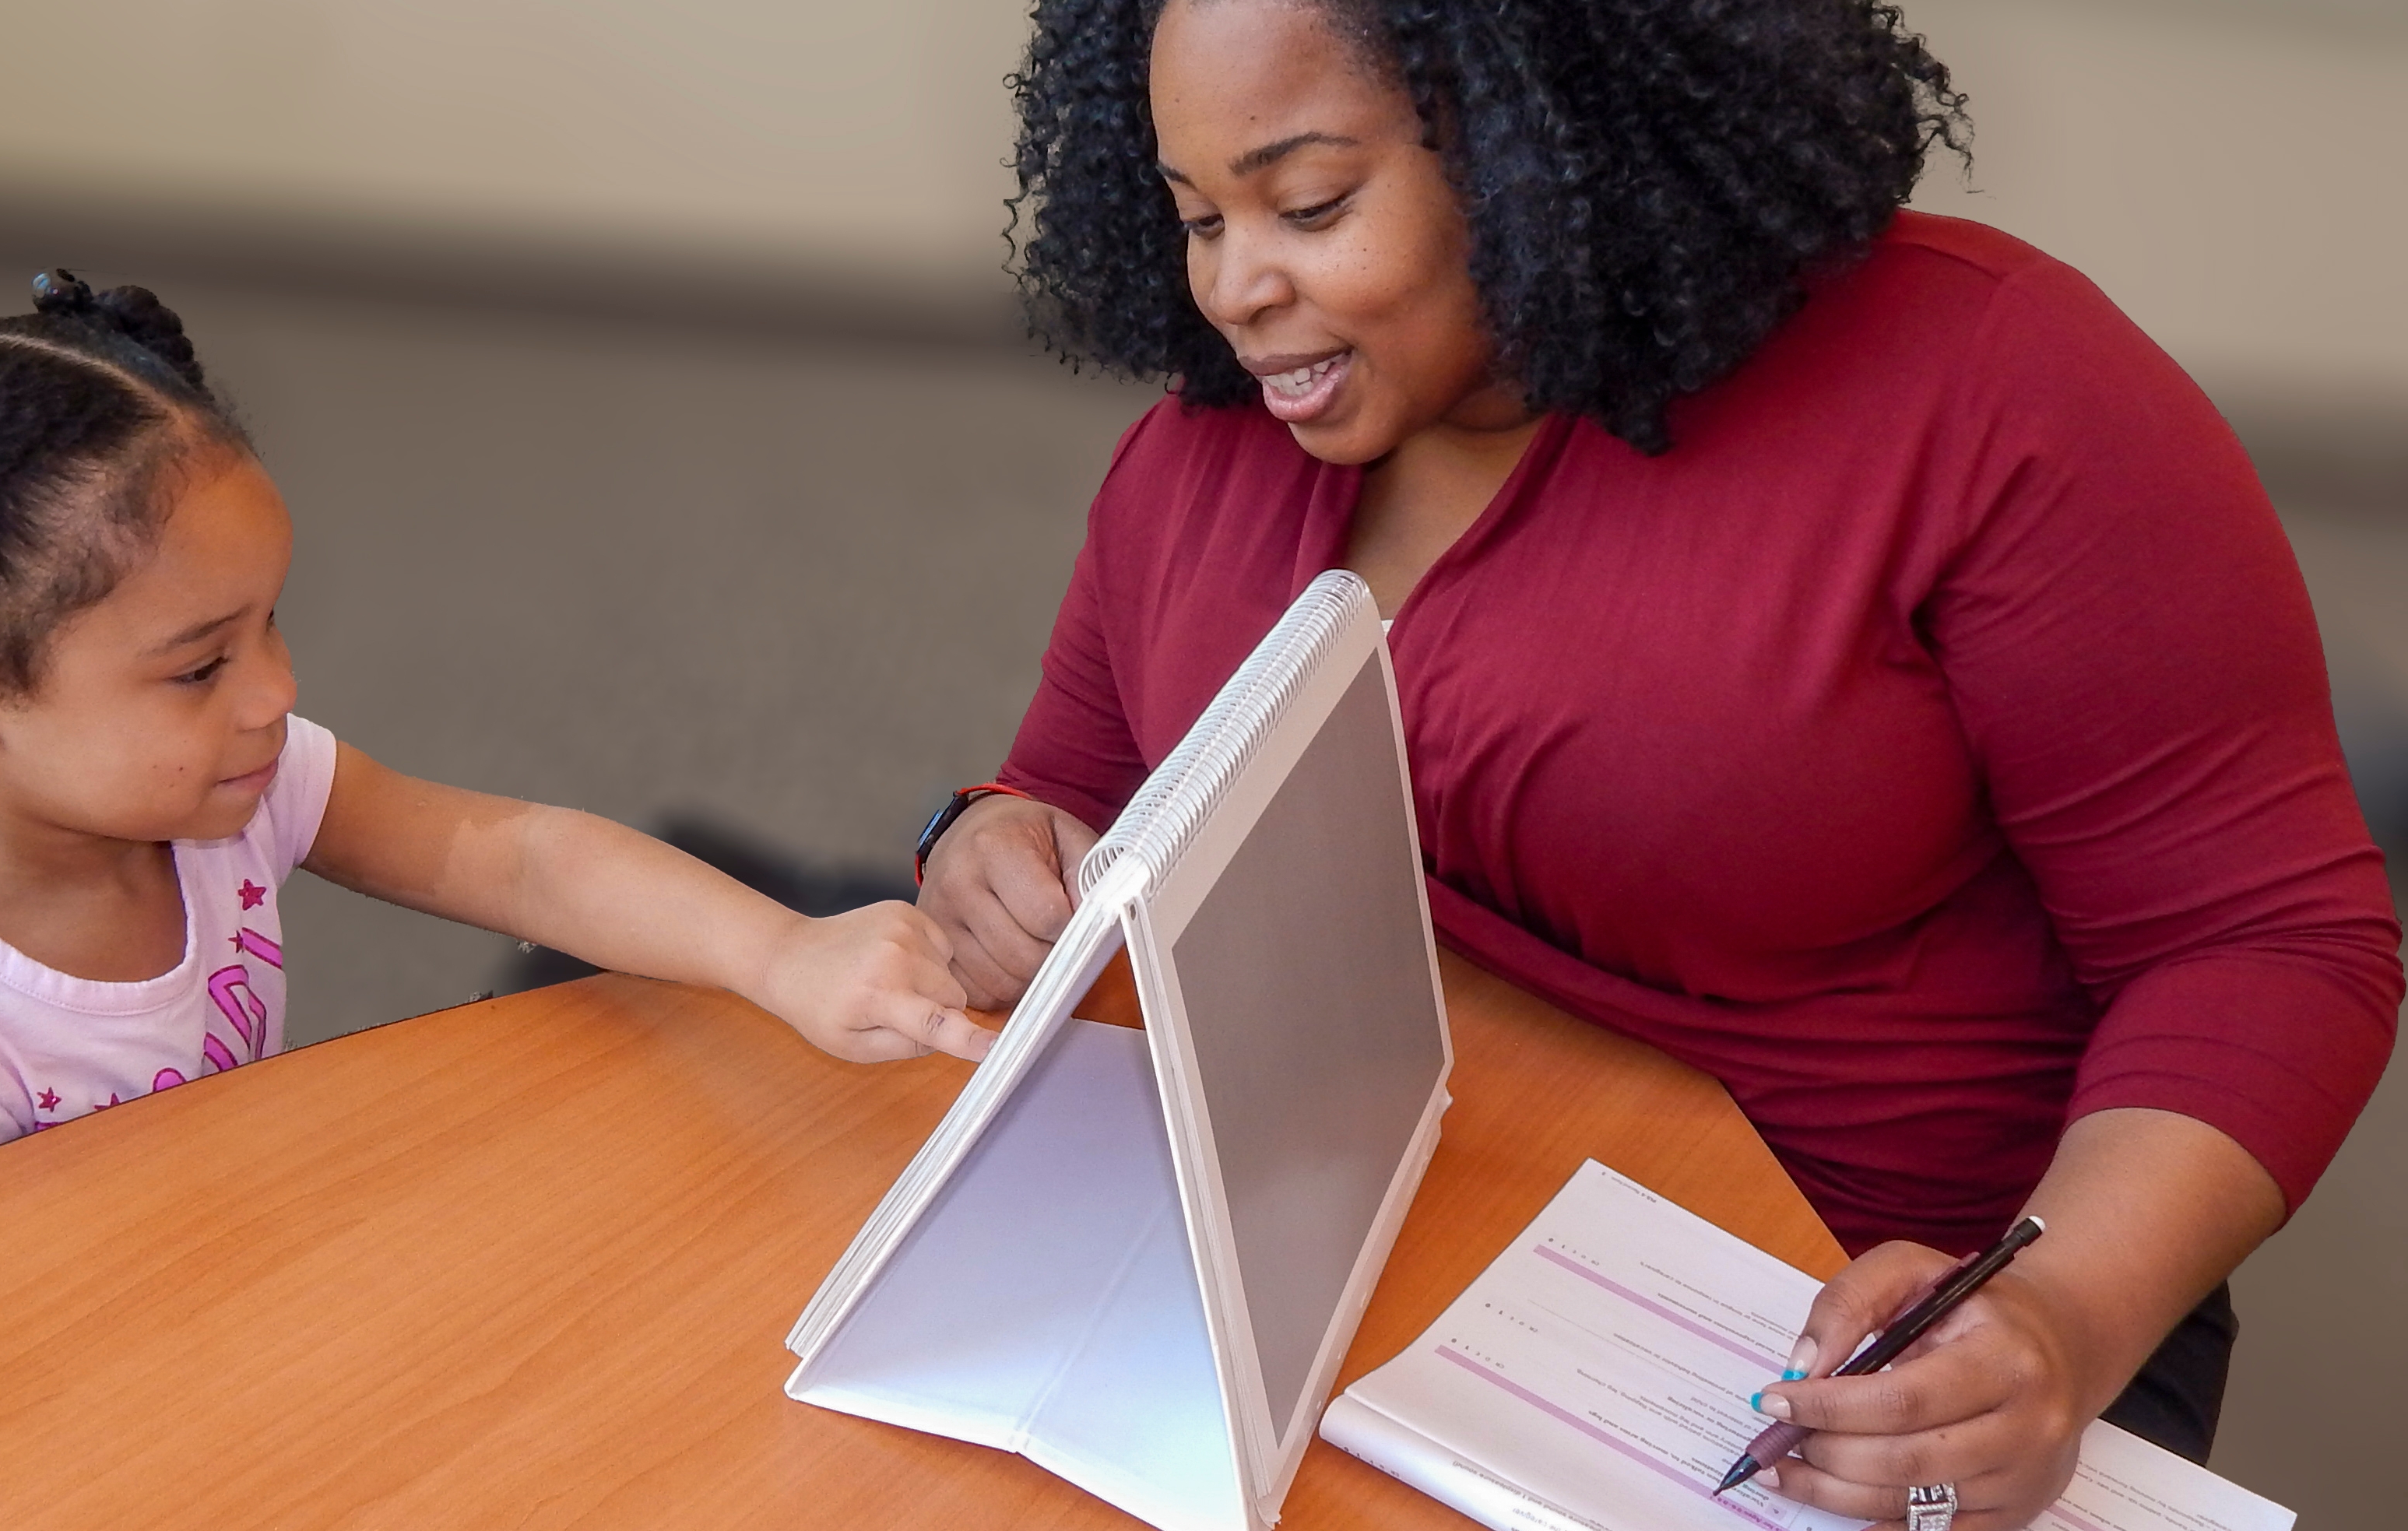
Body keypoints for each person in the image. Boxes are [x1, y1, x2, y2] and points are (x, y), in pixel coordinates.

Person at [916, 2, 2401, 1527]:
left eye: (1309, 205)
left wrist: (2060, 1317)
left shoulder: (1996, 397)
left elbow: (2266, 942)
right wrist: (982, 841)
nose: (1233, 288)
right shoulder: (1215, 439)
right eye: (1195, 216)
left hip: (1862, 1340)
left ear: (1531, 129)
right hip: (1369, 1273)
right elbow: (1075, 788)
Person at [0, 272, 991, 1209]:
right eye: (200, 666)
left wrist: (783, 954)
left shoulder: (225, 789)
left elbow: (522, 862)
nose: (277, 691)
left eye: (268, 624)